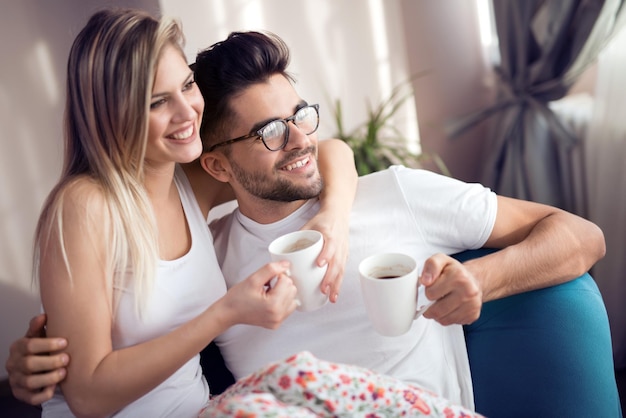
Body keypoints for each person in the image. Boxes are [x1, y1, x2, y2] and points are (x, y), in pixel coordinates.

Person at [7, 29, 613, 414]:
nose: (299, 139)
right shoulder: (195, 233)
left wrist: (344, 218)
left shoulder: (396, 193)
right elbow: (101, 361)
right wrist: (43, 357)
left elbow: (585, 236)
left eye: (302, 114)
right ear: (218, 165)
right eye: (271, 131)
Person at [21, 9, 361, 417]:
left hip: (200, 409)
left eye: (187, 85)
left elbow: (328, 151)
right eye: (158, 102)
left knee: (326, 386)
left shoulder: (185, 181)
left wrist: (333, 220)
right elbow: (88, 396)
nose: (187, 114)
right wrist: (226, 313)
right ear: (112, 116)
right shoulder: (85, 206)